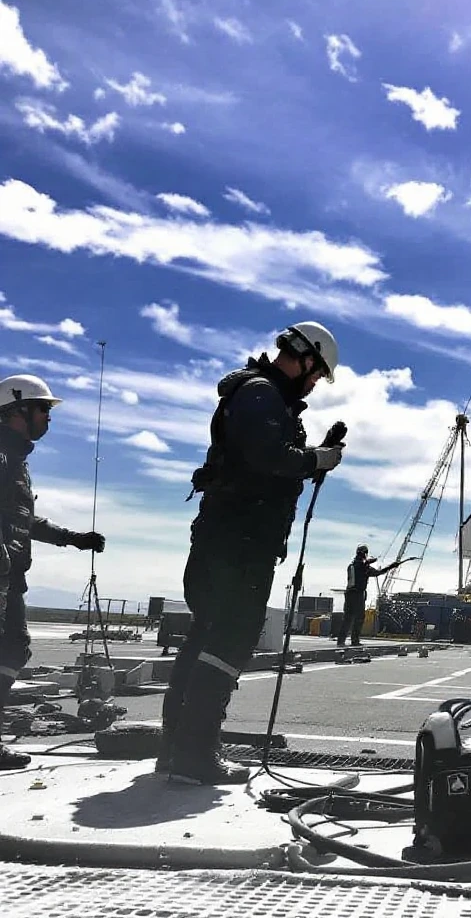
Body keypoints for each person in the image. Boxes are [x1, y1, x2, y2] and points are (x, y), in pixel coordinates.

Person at [160, 322, 345, 785]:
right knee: (229, 638)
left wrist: (313, 454)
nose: (317, 383)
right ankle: (195, 754)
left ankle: (178, 750)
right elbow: (269, 459)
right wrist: (316, 459)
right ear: (304, 359)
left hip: (225, 539)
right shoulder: (261, 395)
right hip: (238, 543)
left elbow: (265, 457)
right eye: (318, 373)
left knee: (205, 638)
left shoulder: (259, 396)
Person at [0, 375, 105, 770]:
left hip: (10, 579)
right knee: (10, 646)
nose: (48, 418)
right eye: (43, 409)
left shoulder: (15, 461)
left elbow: (23, 518)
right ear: (17, 410)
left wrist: (72, 538)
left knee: (13, 647)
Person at [336, 545, 396, 646]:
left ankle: (340, 641)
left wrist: (369, 561)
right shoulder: (364, 567)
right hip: (358, 594)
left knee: (347, 618)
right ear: (364, 553)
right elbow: (378, 572)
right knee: (359, 617)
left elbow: (362, 565)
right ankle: (355, 640)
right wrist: (391, 566)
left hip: (349, 594)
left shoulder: (351, 565)